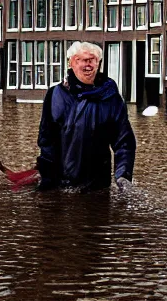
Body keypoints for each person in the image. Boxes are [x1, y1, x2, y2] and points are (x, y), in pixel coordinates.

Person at [36, 41, 136, 192]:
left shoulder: (112, 99)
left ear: (98, 63)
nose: (87, 65)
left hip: (97, 185)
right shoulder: (54, 94)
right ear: (71, 63)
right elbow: (46, 138)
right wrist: (45, 174)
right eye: (81, 60)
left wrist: (123, 176)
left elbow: (124, 142)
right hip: (60, 183)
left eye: (92, 60)